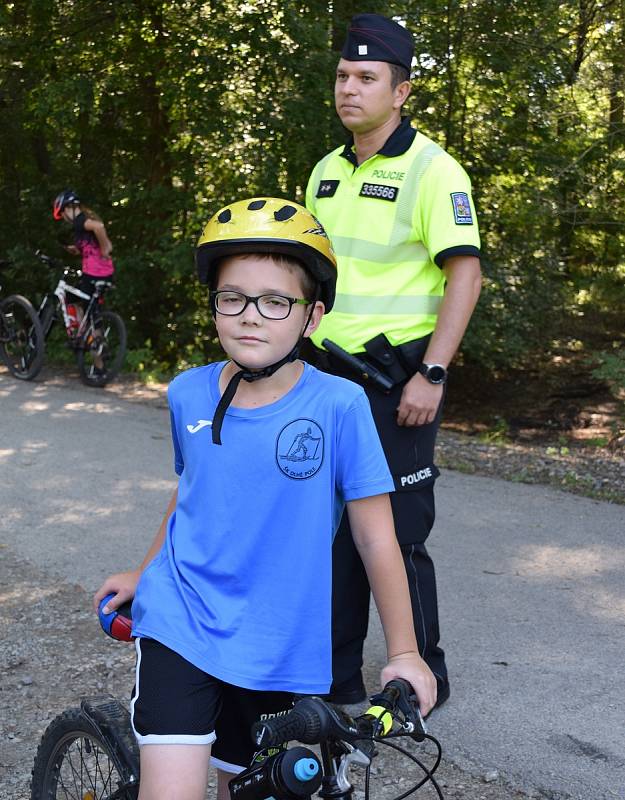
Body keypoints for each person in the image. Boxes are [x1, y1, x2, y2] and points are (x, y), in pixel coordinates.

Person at [93, 197, 436, 800]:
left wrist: (405, 653)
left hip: (281, 643)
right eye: (233, 298)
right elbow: (192, 492)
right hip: (184, 622)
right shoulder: (187, 393)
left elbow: (376, 536)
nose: (251, 316)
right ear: (216, 305)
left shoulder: (340, 406)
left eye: (276, 301)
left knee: (249, 789)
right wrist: (145, 572)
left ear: (312, 316)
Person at [305, 13, 482, 709]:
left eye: (366, 78)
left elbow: (463, 275)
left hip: (395, 382)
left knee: (399, 532)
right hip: (322, 375)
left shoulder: (434, 170)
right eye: (343, 76)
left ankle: (421, 678)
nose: (349, 89)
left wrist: (432, 373)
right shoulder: (325, 170)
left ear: (400, 91)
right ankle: (334, 677)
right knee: (328, 532)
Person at [53, 189, 115, 297]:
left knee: (69, 298)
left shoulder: (80, 221)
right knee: (89, 308)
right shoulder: (84, 219)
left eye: (62, 213)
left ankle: (85, 314)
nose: (63, 218)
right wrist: (77, 249)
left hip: (94, 272)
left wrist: (105, 249)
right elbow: (94, 246)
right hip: (104, 271)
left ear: (68, 208)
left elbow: (98, 227)